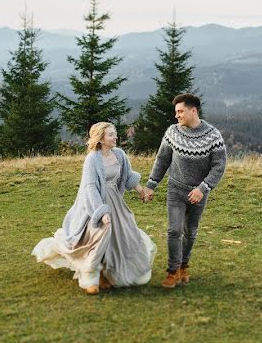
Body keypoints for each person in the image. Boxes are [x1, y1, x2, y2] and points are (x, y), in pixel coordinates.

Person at [32, 122, 156, 295]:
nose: (115, 137)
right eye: (111, 135)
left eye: (115, 134)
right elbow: (90, 188)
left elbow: (128, 176)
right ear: (101, 139)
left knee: (121, 236)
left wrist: (142, 191)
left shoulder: (119, 154)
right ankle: (91, 278)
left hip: (116, 203)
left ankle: (108, 274)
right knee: (98, 238)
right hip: (95, 204)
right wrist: (101, 213)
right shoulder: (92, 159)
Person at [143, 93, 227, 289]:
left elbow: (219, 167)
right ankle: (172, 271)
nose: (177, 115)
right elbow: (162, 160)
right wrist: (151, 185)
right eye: (176, 112)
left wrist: (203, 188)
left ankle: (183, 266)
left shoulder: (213, 136)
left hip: (199, 194)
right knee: (174, 230)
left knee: (190, 232)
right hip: (175, 190)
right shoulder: (173, 132)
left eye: (180, 111)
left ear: (193, 111)